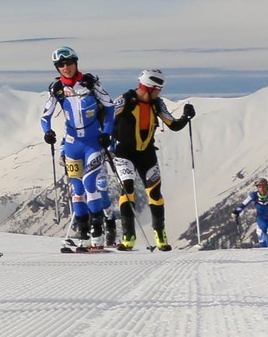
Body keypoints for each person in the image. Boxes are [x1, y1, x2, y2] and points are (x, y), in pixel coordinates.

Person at [40, 46, 118, 251]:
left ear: (76, 62)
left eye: (69, 63)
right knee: (77, 190)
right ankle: (82, 234)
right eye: (61, 65)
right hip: (73, 144)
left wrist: (107, 133)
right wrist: (47, 132)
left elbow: (110, 108)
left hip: (92, 142)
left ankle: (97, 234)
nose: (66, 68)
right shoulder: (56, 89)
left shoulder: (90, 84)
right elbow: (45, 116)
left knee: (90, 183)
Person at [109, 69, 193, 251]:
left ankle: (161, 237)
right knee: (128, 189)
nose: (159, 93)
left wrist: (186, 116)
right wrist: (104, 137)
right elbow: (107, 117)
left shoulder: (157, 104)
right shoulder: (125, 100)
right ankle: (128, 237)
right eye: (158, 89)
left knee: (155, 194)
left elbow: (173, 125)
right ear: (149, 87)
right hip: (124, 153)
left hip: (147, 154)